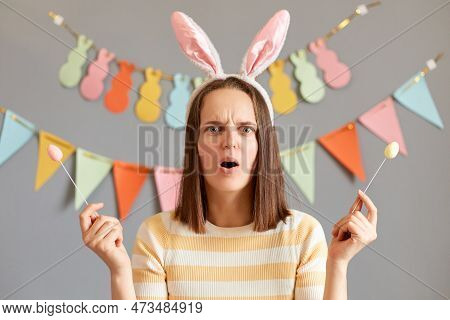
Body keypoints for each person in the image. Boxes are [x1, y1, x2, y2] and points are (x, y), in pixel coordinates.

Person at [78, 10, 378, 300]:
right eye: (213, 129)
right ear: (194, 144)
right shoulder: (157, 236)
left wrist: (338, 264)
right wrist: (119, 270)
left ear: (264, 145)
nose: (229, 142)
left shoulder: (302, 236)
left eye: (246, 129)